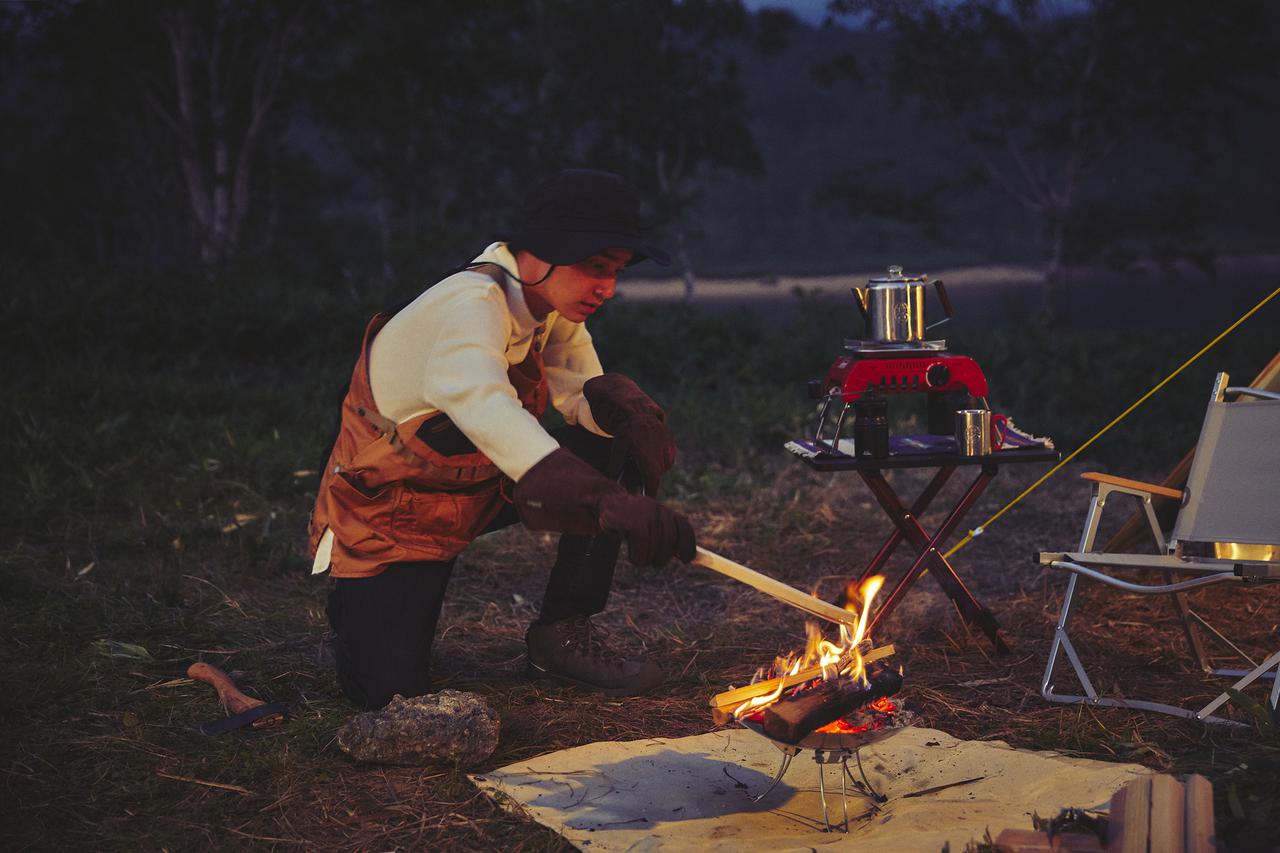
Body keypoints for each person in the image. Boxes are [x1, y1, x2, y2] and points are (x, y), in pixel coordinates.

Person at [309, 168, 697, 710]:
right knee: (390, 699)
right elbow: (484, 405)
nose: (607, 287)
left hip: (473, 487)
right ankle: (360, 608)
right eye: (594, 268)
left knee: (614, 444)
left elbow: (579, 393)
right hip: (393, 514)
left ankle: (562, 634)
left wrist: (626, 418)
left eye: (616, 271)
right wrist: (606, 502)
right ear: (537, 254)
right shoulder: (471, 305)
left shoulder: (545, 304)